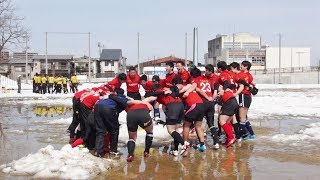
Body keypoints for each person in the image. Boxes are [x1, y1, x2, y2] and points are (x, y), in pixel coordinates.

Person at [125, 97, 154, 162]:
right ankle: (146, 152)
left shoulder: (130, 105)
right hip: (143, 113)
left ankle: (130, 155)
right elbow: (149, 110)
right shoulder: (146, 104)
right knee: (149, 132)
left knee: (132, 138)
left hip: (130, 114)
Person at [235, 61, 256, 140]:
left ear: (246, 66)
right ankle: (251, 134)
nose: (240, 67)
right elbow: (254, 82)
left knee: (242, 117)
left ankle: (241, 136)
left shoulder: (241, 74)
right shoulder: (249, 75)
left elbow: (238, 82)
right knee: (244, 117)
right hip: (247, 96)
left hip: (243, 96)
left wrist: (236, 93)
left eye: (242, 66)